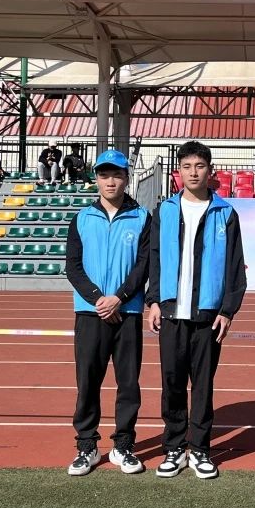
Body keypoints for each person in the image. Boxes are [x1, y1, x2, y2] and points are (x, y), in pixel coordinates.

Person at [147, 140, 247, 479]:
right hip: (171, 313)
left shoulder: (225, 214)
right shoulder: (164, 211)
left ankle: (201, 450)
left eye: (199, 166)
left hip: (208, 316)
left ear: (210, 171)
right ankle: (174, 448)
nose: (193, 173)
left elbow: (235, 266)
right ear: (179, 171)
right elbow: (155, 259)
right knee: (172, 383)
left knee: (203, 386)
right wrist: (154, 300)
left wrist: (228, 310)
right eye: (187, 166)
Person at [65, 149, 151, 477]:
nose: (110, 181)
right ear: (96, 179)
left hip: (127, 312)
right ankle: (87, 445)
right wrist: (99, 299)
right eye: (104, 175)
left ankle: (123, 445)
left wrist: (120, 297)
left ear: (127, 178)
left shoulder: (142, 218)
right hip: (90, 312)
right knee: (88, 381)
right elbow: (73, 267)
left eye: (116, 175)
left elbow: (144, 264)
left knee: (128, 383)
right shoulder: (82, 218)